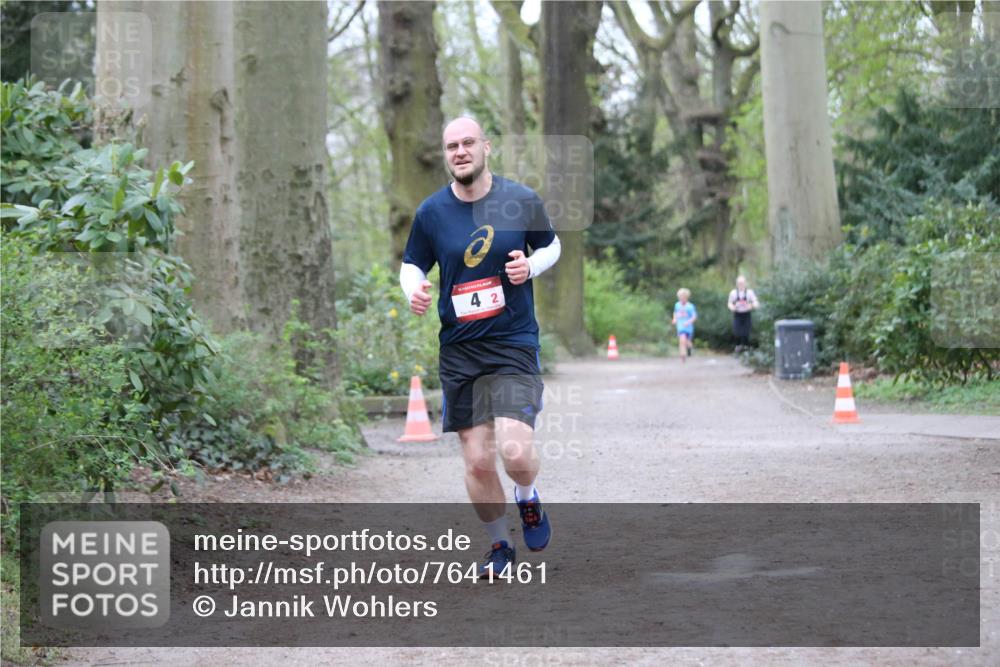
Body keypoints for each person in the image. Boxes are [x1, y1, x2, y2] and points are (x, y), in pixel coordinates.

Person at [399, 117, 560, 579]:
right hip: (460, 348)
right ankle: (499, 547)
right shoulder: (432, 212)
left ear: (486, 147)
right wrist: (413, 290)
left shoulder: (520, 200)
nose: (460, 151)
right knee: (476, 459)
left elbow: (552, 248)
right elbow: (412, 264)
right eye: (452, 146)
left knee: (515, 452)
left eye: (468, 143)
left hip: (512, 341)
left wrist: (529, 267)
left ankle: (528, 499)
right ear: (446, 155)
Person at [727, 275, 759, 351]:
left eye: (742, 283)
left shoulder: (749, 292)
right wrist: (732, 307)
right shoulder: (733, 293)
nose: (741, 284)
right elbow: (729, 303)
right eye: (739, 283)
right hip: (737, 314)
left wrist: (752, 306)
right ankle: (738, 346)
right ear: (737, 284)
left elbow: (756, 302)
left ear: (745, 283)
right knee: (737, 331)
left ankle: (746, 347)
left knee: (746, 331)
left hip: (746, 314)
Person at [671, 288, 697, 363]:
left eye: (683, 297)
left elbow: (694, 316)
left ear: (686, 297)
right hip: (680, 326)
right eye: (680, 297)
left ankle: (689, 349)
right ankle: (683, 356)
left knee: (687, 341)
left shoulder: (690, 306)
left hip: (688, 327)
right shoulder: (677, 305)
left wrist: (688, 322)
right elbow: (675, 313)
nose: (681, 298)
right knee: (682, 340)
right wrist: (674, 319)